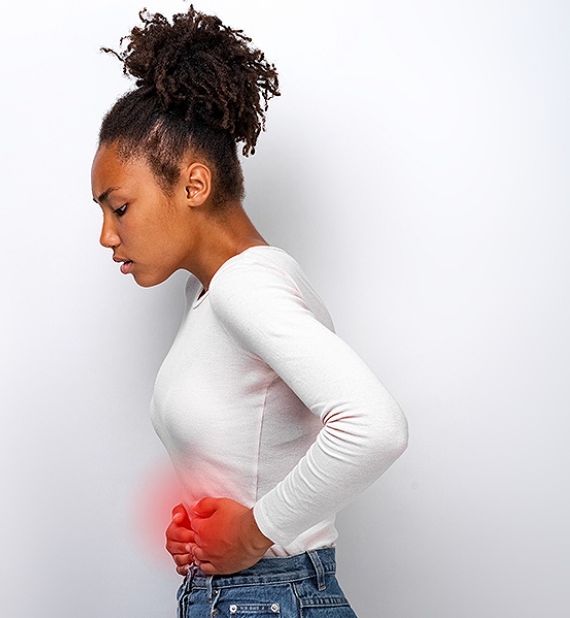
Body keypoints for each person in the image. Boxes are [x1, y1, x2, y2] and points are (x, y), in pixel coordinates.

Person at [90, 6, 409, 617]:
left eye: (119, 207)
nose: (107, 235)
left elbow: (375, 426)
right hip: (250, 595)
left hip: (266, 597)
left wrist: (253, 533)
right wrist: (203, 536)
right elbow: (251, 459)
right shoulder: (213, 294)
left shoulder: (246, 287)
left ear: (194, 185)